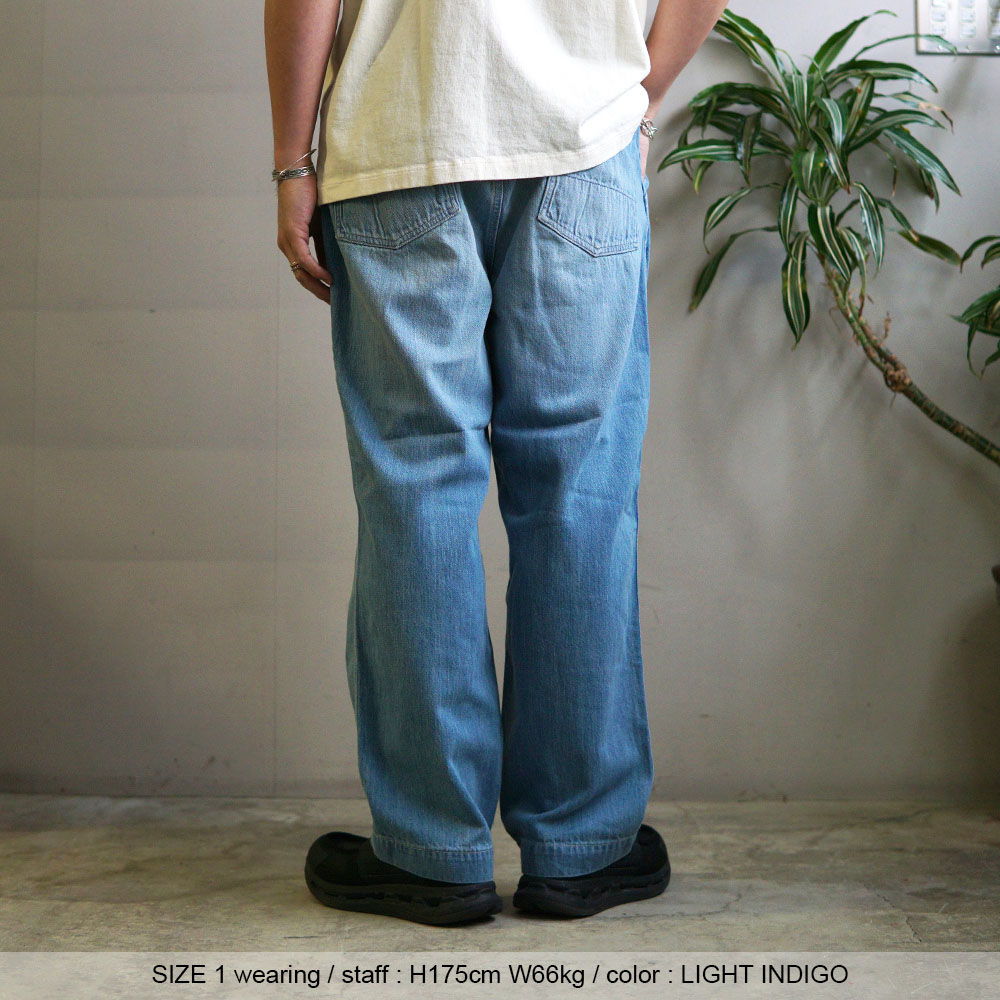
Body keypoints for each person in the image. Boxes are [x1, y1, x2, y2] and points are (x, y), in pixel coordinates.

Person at [264, 0, 729, 925]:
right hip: (581, 146)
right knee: (578, 496)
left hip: (399, 143)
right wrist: (636, 103)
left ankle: (431, 849)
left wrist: (291, 161)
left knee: (416, 492)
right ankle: (582, 847)